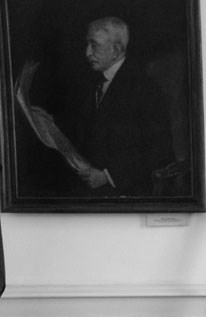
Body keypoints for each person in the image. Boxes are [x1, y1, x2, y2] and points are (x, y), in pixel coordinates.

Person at [59, 16, 174, 197]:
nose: (87, 52)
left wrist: (107, 176)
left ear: (116, 50)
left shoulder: (143, 88)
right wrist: (49, 124)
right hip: (87, 186)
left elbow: (159, 150)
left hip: (126, 192)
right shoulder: (93, 81)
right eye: (87, 44)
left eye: (94, 45)